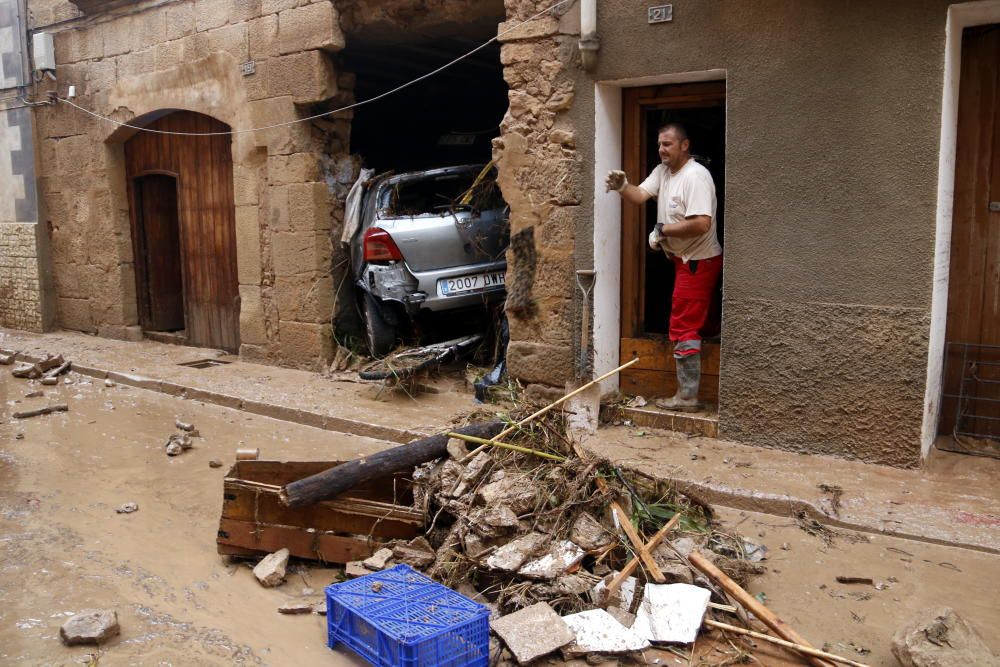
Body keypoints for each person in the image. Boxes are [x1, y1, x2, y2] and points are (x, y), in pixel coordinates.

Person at [606, 123, 722, 412]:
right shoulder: (663, 172)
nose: (661, 149)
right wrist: (622, 187)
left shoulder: (695, 177)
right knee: (697, 321)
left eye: (668, 144)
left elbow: (701, 223)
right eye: (659, 144)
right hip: (683, 261)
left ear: (685, 145)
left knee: (683, 326)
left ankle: (687, 397)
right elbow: (640, 196)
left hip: (698, 263)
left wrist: (662, 230)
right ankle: (696, 375)